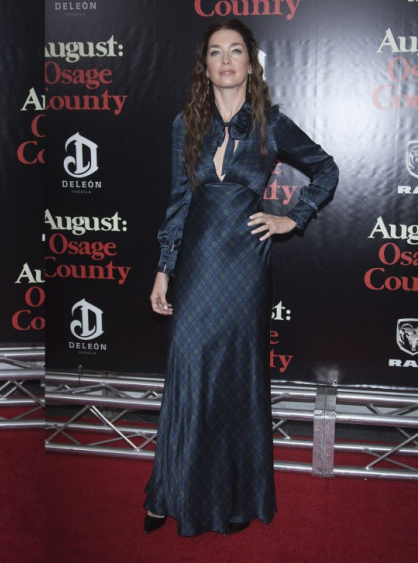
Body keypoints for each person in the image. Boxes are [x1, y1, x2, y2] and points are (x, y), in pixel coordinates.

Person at [143, 19, 338, 537]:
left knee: (236, 380)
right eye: (215, 52)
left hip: (245, 267)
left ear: (250, 65)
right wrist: (164, 269)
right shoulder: (186, 124)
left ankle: (232, 497)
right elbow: (179, 201)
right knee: (187, 373)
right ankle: (168, 491)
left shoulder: (271, 124)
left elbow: (325, 168)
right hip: (198, 263)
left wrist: (292, 216)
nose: (226, 60)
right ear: (204, 66)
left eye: (235, 52)